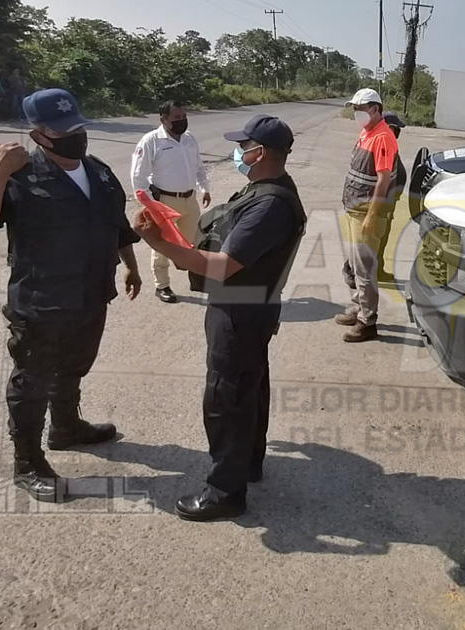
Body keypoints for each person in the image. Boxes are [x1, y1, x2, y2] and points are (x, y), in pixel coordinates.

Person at [0, 88, 143, 502]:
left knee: (76, 364)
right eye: (62, 130)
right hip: (42, 300)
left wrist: (129, 263)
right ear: (38, 134)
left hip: (92, 293)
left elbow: (115, 223)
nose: (73, 135)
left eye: (77, 126)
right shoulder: (20, 175)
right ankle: (26, 462)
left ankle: (66, 427)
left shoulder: (98, 171)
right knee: (33, 380)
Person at [132, 114, 306, 521]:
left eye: (244, 146)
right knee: (249, 388)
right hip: (250, 305)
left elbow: (223, 265)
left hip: (240, 310)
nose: (239, 153)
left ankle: (225, 491)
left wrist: (157, 243)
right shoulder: (268, 188)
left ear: (259, 152)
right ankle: (248, 463)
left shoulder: (268, 205)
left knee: (226, 398)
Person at [337, 88, 402, 342]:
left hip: (367, 211)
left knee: (365, 269)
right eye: (355, 108)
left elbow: (383, 179)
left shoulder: (383, 137)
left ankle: (368, 321)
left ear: (375, 109)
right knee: (355, 264)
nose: (357, 113)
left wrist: (372, 216)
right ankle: (359, 307)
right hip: (355, 208)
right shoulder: (368, 133)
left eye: (361, 109)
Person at [131, 100, 212, 303]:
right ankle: (162, 286)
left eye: (184, 116)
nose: (182, 121)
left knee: (193, 243)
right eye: (177, 117)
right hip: (164, 201)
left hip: (189, 199)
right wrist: (149, 205)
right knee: (162, 247)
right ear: (164, 119)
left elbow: (199, 167)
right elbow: (138, 177)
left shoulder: (189, 139)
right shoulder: (151, 141)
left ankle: (196, 279)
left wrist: (205, 188)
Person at [343, 110, 406, 288]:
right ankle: (351, 272)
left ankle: (378, 270)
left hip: (386, 206)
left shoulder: (390, 147)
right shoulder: (380, 143)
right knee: (363, 246)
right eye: (395, 128)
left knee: (379, 242)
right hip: (372, 206)